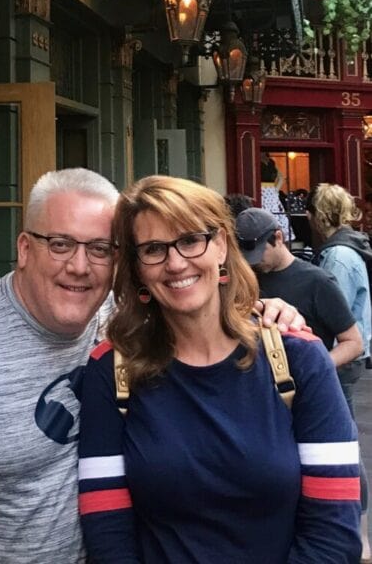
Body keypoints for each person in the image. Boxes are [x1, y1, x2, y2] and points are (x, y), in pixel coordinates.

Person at [0, 168, 308, 564]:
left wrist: (265, 313)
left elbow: (202, 314)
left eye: (100, 249)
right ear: (25, 248)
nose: (80, 266)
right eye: (60, 244)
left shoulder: (117, 327)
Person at [79, 175, 360, 563]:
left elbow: (334, 529)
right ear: (138, 268)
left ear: (222, 246)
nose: (176, 263)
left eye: (191, 240)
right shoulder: (111, 370)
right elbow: (107, 526)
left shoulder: (300, 359)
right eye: (154, 249)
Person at [309, 182, 372, 559]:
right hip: (350, 356)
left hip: (342, 357)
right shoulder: (350, 248)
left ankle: (358, 527)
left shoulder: (337, 257)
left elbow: (338, 314)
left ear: (321, 215)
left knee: (341, 442)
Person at [235, 206, 363, 366]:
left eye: (260, 253)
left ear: (278, 237)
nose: (253, 262)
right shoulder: (246, 277)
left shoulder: (317, 281)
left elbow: (353, 342)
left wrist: (318, 368)